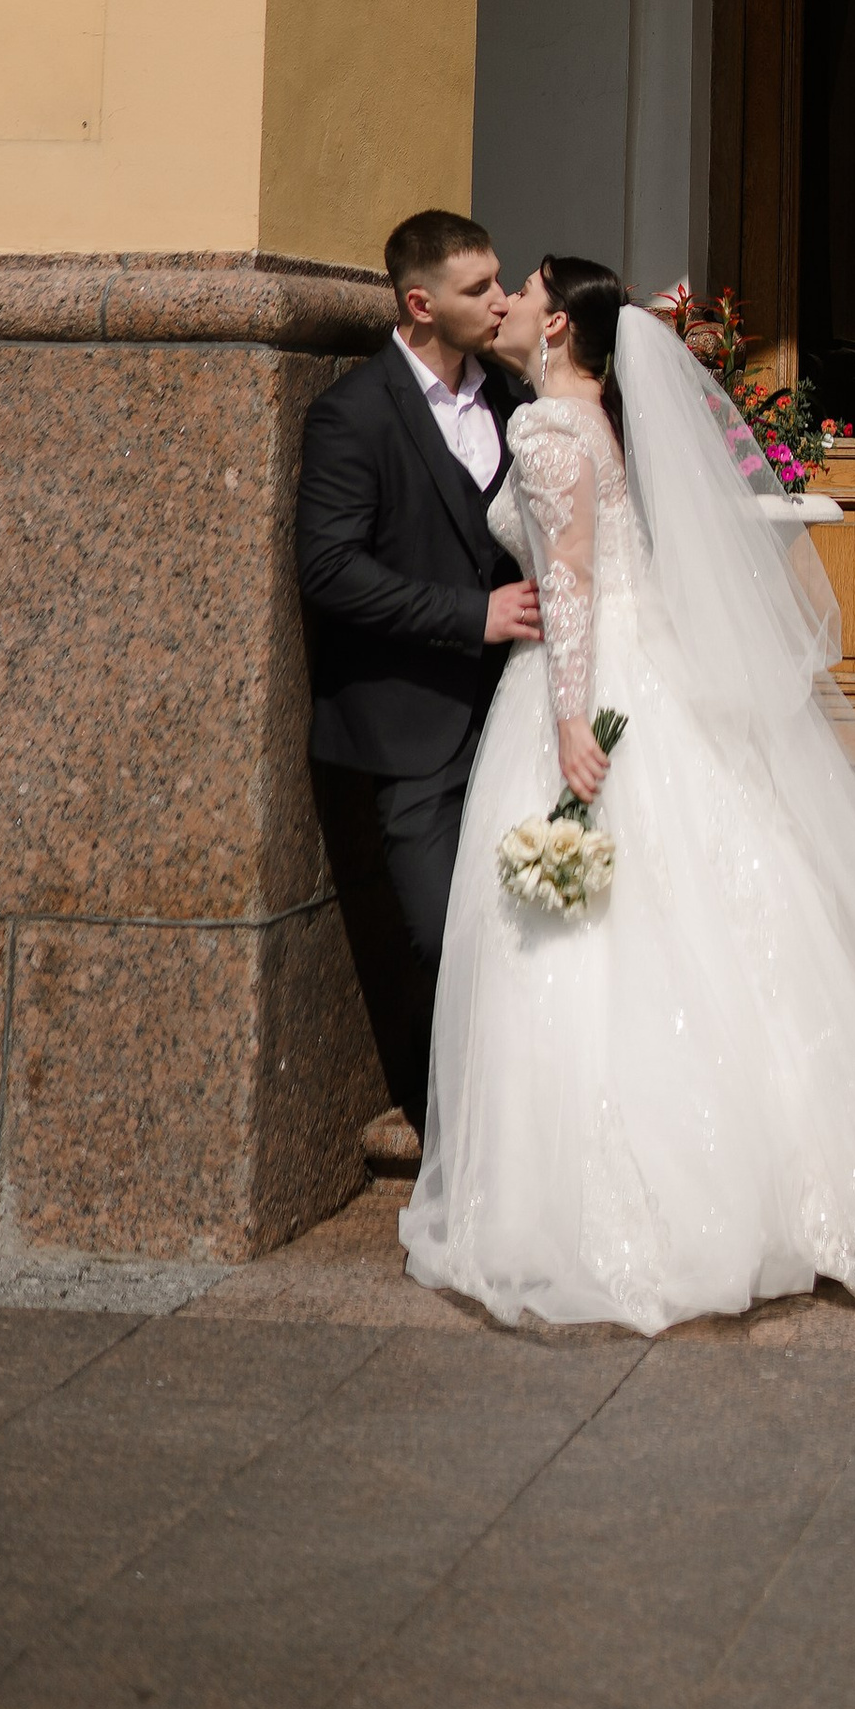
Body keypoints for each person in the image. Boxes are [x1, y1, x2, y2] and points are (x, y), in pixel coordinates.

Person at [402, 256, 855, 1330]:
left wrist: (567, 726)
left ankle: (613, 1208)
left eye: (527, 294)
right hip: (657, 680)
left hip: (592, 686)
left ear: (559, 332)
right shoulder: (601, 419)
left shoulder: (550, 430)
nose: (506, 304)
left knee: (583, 944)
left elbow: (573, 585)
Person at [297, 210, 541, 1131]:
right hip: (414, 725)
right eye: (479, 287)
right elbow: (327, 568)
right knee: (446, 929)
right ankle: (466, 1135)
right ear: (419, 302)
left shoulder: (517, 401)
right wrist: (467, 616)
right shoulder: (352, 414)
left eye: (501, 280)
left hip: (518, 711)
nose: (501, 298)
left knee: (536, 920)